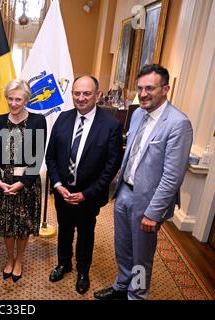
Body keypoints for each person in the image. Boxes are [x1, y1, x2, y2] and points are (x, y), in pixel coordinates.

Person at [94, 64, 193, 300]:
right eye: (140, 88)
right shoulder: (137, 113)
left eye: (150, 88)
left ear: (166, 89)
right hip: (124, 193)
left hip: (148, 202)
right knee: (123, 248)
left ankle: (136, 295)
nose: (144, 93)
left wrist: (154, 213)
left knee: (141, 257)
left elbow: (172, 176)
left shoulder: (178, 124)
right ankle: (121, 285)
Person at [45, 75, 123, 294]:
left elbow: (110, 168)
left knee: (86, 233)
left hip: (89, 195)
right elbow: (50, 156)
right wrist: (58, 184)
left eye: (86, 93)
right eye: (76, 93)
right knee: (65, 228)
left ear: (97, 95)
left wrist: (86, 194)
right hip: (62, 191)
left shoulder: (111, 126)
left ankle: (82, 270)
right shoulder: (62, 118)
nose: (81, 98)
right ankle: (63, 263)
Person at [0, 79, 46, 283]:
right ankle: (9, 258)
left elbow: (37, 158)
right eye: (10, 99)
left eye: (18, 99)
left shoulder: (38, 121)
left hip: (26, 183)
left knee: (22, 225)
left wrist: (22, 182)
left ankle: (19, 260)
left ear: (26, 100)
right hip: (4, 182)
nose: (13, 103)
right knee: (7, 225)